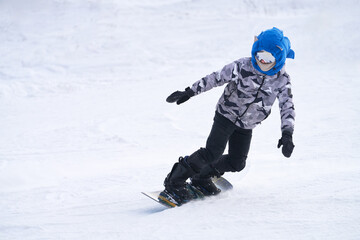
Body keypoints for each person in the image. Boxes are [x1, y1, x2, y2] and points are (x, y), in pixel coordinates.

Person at [162, 27, 295, 205]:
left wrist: (287, 134)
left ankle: (202, 177)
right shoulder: (243, 66)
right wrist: (189, 92)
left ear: (279, 59)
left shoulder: (282, 79)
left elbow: (287, 105)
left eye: (269, 58)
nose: (262, 61)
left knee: (237, 163)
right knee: (212, 152)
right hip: (226, 114)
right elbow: (216, 78)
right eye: (260, 54)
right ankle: (174, 181)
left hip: (247, 125)